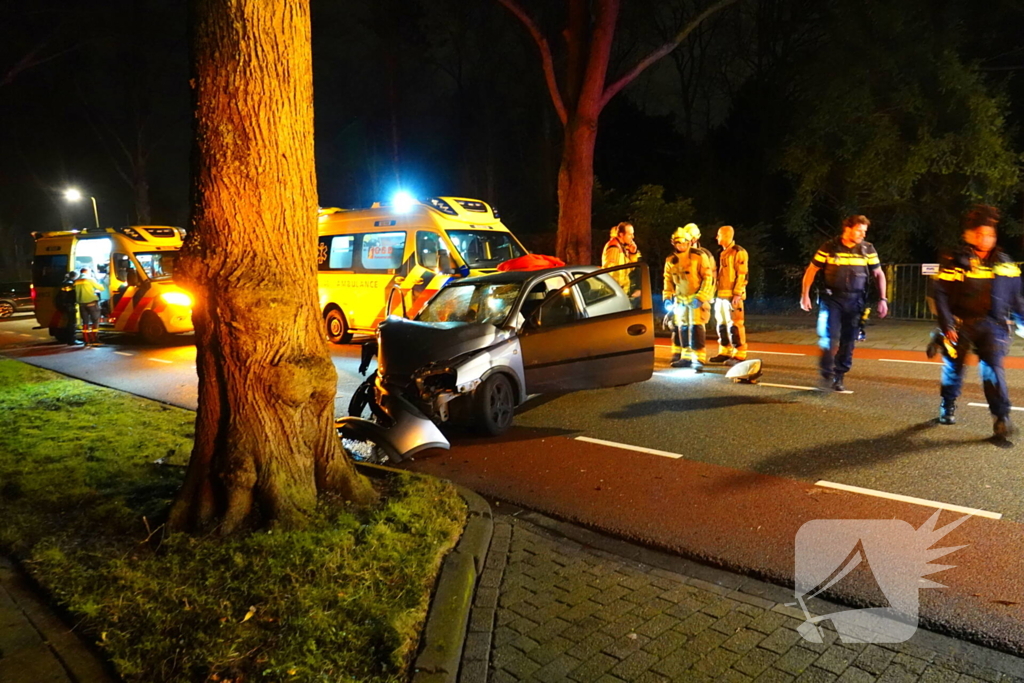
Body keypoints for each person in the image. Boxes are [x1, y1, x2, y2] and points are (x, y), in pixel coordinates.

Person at [932, 205, 1024, 438]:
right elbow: (940, 295)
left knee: (993, 369)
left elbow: (1016, 297)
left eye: (990, 234)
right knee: (954, 368)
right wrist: (947, 325)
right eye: (981, 234)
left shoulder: (1005, 262)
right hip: (960, 324)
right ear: (969, 235)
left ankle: (1001, 418)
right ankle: (948, 402)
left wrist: (1022, 320)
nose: (986, 239)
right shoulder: (954, 260)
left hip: (994, 326)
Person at [800, 215, 888, 391]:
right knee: (829, 336)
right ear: (847, 229)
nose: (863, 234)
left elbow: (878, 274)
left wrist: (883, 299)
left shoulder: (867, 249)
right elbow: (812, 269)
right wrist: (805, 295)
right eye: (859, 230)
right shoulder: (830, 247)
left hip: (855, 301)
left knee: (848, 340)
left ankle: (839, 375)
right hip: (832, 299)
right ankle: (827, 369)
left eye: (864, 231)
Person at [664, 226, 715, 370]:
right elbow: (667, 280)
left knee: (697, 328)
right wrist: (667, 297)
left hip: (695, 300)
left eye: (683, 243)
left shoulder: (699, 256)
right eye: (677, 243)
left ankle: (698, 358)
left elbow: (707, 278)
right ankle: (685, 357)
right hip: (680, 300)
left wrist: (701, 297)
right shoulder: (670, 260)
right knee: (683, 328)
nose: (681, 246)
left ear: (688, 242)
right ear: (673, 243)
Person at [709, 225, 749, 365]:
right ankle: (724, 351)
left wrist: (738, 294)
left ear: (726, 235)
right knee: (722, 324)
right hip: (721, 295)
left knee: (735, 325)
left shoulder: (738, 252)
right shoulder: (724, 253)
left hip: (732, 296)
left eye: (719, 235)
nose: (717, 237)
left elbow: (742, 274)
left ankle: (739, 354)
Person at [601, 221, 640, 290]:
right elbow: (611, 273)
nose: (633, 237)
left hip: (621, 291)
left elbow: (628, 269)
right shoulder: (614, 248)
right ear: (621, 234)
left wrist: (632, 253)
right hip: (615, 291)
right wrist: (618, 290)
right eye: (630, 234)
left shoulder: (622, 247)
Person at [74, 267, 104, 346]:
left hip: (81, 304)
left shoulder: (76, 280)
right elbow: (101, 288)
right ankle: (94, 338)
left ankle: (86, 340)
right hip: (91, 302)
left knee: (85, 322)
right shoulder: (90, 279)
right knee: (95, 321)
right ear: (87, 272)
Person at [56, 271, 82, 346]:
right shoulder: (69, 284)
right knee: (72, 323)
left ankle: (70, 339)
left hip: (66, 305)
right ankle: (72, 340)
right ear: (75, 276)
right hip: (69, 305)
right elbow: (69, 296)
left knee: (69, 323)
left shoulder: (65, 282)